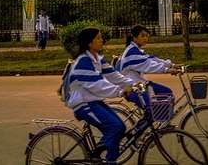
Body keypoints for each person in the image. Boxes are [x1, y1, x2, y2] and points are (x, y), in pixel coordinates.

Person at [66, 27, 134, 164]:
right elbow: (97, 85)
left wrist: (132, 84)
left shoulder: (97, 58)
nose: (102, 40)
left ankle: (100, 156)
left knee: (120, 127)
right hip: (83, 104)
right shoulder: (83, 62)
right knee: (115, 127)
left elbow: (113, 75)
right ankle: (107, 160)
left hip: (93, 101)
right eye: (98, 38)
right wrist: (120, 91)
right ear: (89, 43)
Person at [117, 25, 177, 108]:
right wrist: (167, 70)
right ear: (134, 37)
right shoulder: (131, 52)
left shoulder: (136, 50)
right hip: (131, 88)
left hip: (140, 84)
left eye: (147, 36)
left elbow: (151, 59)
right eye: (142, 36)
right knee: (151, 108)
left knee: (166, 92)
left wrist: (172, 65)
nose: (145, 38)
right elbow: (148, 65)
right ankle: (151, 115)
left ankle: (161, 115)